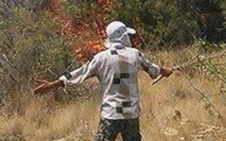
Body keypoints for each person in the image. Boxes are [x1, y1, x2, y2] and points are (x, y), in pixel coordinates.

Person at [33, 21, 173, 141]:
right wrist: (165, 71)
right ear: (123, 36)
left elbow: (79, 74)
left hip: (111, 114)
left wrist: (54, 84)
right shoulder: (135, 54)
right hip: (131, 113)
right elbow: (153, 69)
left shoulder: (101, 58)